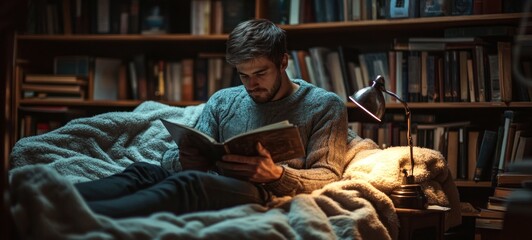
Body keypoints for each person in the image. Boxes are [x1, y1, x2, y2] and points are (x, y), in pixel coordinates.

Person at [74, 19, 359, 218]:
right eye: (243, 75)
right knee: (143, 172)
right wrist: (184, 159)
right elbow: (175, 155)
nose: (251, 84)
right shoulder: (225, 100)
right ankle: (47, 198)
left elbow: (328, 176)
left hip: (256, 191)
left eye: (260, 74)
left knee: (188, 186)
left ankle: (77, 216)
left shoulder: (324, 106)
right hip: (207, 176)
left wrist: (277, 174)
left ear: (283, 62)